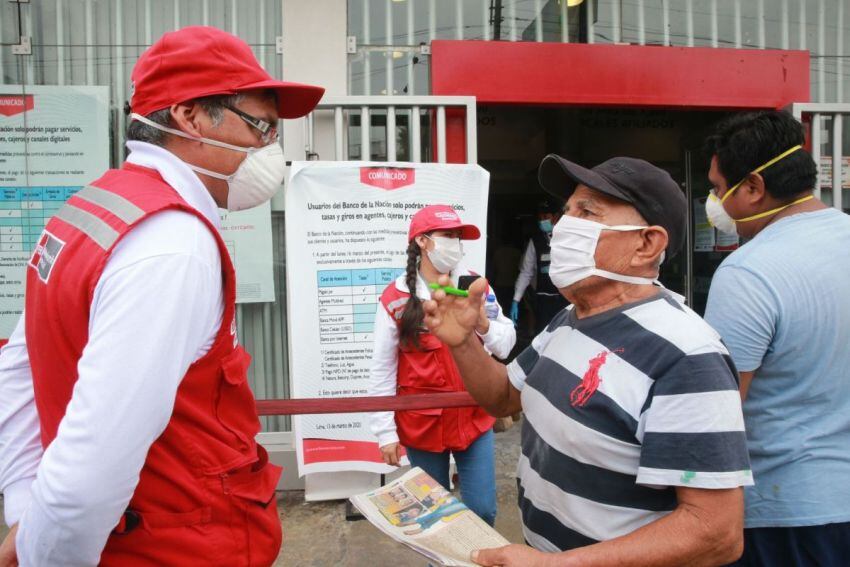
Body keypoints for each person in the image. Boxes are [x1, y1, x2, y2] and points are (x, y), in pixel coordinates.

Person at [0, 26, 323, 566]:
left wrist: (27, 509)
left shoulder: (93, 207)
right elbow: (95, 457)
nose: (270, 149)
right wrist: (44, 552)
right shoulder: (174, 244)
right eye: (261, 126)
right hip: (173, 544)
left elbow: (19, 367)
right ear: (190, 115)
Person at [422, 155, 752, 566]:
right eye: (566, 212)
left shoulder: (686, 356)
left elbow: (715, 532)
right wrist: (463, 344)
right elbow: (503, 396)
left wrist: (556, 565)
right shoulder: (572, 318)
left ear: (646, 244)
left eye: (587, 212)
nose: (561, 227)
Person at [703, 111, 850, 566]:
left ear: (752, 188)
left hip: (786, 516)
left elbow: (720, 413)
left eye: (716, 187)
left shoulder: (749, 272)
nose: (713, 201)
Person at [368, 205, 515, 527]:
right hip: (422, 422)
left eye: (458, 237)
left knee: (483, 509)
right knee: (432, 516)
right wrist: (385, 433)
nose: (456, 244)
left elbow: (505, 344)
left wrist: (482, 325)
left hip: (473, 415)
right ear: (422, 241)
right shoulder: (396, 297)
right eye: (447, 236)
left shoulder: (475, 287)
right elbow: (382, 367)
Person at [510, 199, 569, 333]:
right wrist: (516, 300)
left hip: (566, 298)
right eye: (540, 217)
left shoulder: (568, 238)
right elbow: (526, 272)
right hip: (543, 299)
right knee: (543, 334)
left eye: (546, 217)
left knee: (564, 335)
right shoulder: (535, 241)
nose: (542, 220)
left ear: (556, 217)